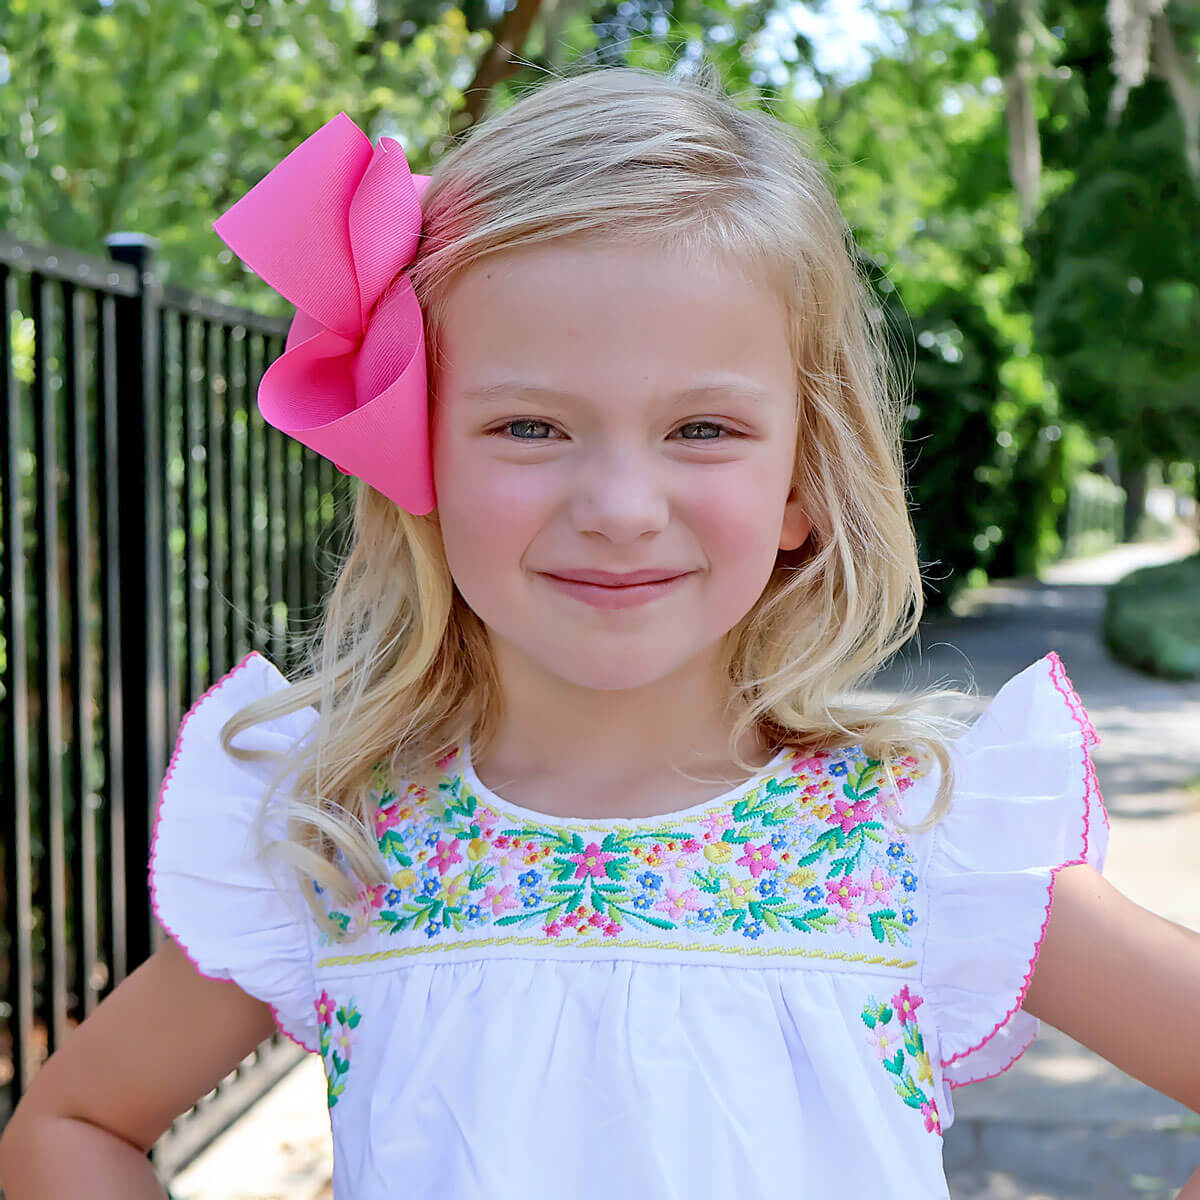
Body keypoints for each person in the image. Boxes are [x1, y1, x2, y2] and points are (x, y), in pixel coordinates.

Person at [3, 61, 1198, 1200]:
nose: (620, 509)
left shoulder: (922, 841)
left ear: (803, 478)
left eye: (702, 431)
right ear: (417, 453)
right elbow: (72, 1125)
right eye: (529, 427)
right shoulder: (339, 845)